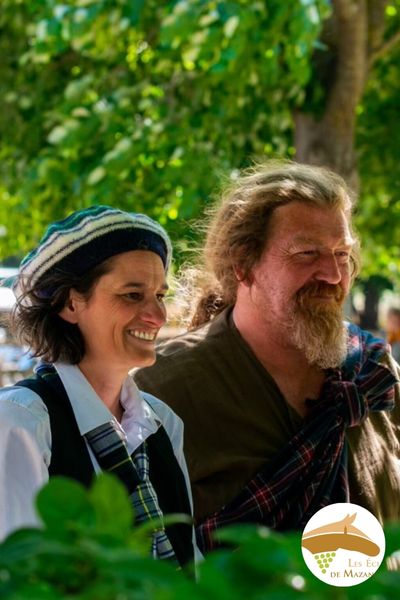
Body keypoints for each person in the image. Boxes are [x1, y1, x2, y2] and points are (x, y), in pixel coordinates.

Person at [135, 161, 400, 553]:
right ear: (243, 264)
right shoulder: (161, 391)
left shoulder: (372, 373)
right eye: (306, 253)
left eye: (341, 254)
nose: (332, 273)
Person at [0, 205, 197, 566]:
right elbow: (18, 576)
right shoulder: (20, 423)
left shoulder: (163, 424)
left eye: (160, 295)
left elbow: (191, 563)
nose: (158, 315)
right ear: (71, 304)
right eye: (132, 295)